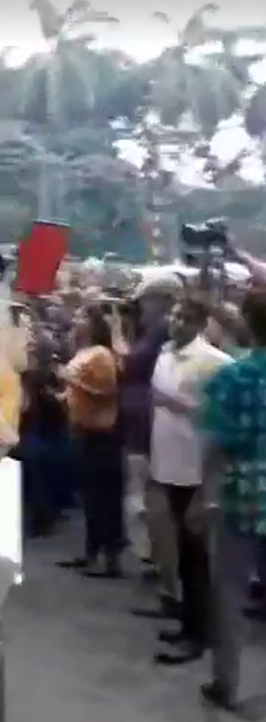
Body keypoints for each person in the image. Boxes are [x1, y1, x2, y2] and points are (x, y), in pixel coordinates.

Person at [149, 298, 232, 665]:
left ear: (199, 324)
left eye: (185, 318)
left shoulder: (215, 362)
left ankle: (200, 634)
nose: (176, 322)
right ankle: (189, 624)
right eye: (175, 315)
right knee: (184, 553)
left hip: (196, 470)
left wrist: (180, 405)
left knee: (197, 557)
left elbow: (222, 415)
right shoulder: (166, 353)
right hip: (168, 464)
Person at [200, 285, 266, 711]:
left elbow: (216, 445)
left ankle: (227, 683)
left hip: (243, 495)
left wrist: (204, 497)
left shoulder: (233, 378)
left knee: (231, 593)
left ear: (248, 323)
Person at [122, 275, 184, 619]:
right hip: (142, 423)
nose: (142, 307)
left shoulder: (163, 334)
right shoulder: (152, 333)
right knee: (147, 499)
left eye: (146, 300)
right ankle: (162, 568)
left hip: (151, 427)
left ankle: (166, 574)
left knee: (152, 502)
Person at [57, 304, 124, 577]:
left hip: (101, 433)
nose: (75, 321)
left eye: (81, 317)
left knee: (103, 496)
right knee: (91, 495)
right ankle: (92, 551)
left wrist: (72, 381)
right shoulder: (83, 352)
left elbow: (106, 392)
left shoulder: (101, 355)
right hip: (83, 429)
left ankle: (109, 557)